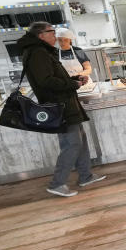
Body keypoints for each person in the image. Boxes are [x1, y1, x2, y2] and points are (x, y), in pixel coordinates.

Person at [18, 22, 105, 197]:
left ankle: (86, 175)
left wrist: (75, 78)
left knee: (80, 140)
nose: (55, 35)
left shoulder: (40, 51)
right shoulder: (37, 53)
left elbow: (54, 77)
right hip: (60, 105)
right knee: (72, 144)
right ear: (41, 35)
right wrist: (73, 84)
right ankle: (57, 183)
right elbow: (47, 81)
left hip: (66, 103)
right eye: (51, 32)